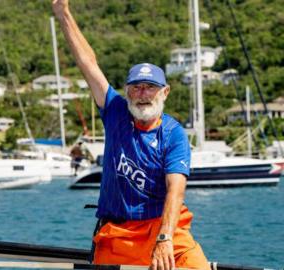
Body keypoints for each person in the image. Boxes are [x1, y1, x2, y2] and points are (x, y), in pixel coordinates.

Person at [52, 1, 210, 269]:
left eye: (150, 88)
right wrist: (62, 13)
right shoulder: (115, 113)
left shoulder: (173, 134)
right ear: (126, 91)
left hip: (163, 227)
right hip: (118, 233)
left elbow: (175, 190)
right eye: (136, 87)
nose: (143, 94)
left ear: (165, 92)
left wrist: (165, 237)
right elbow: (88, 63)